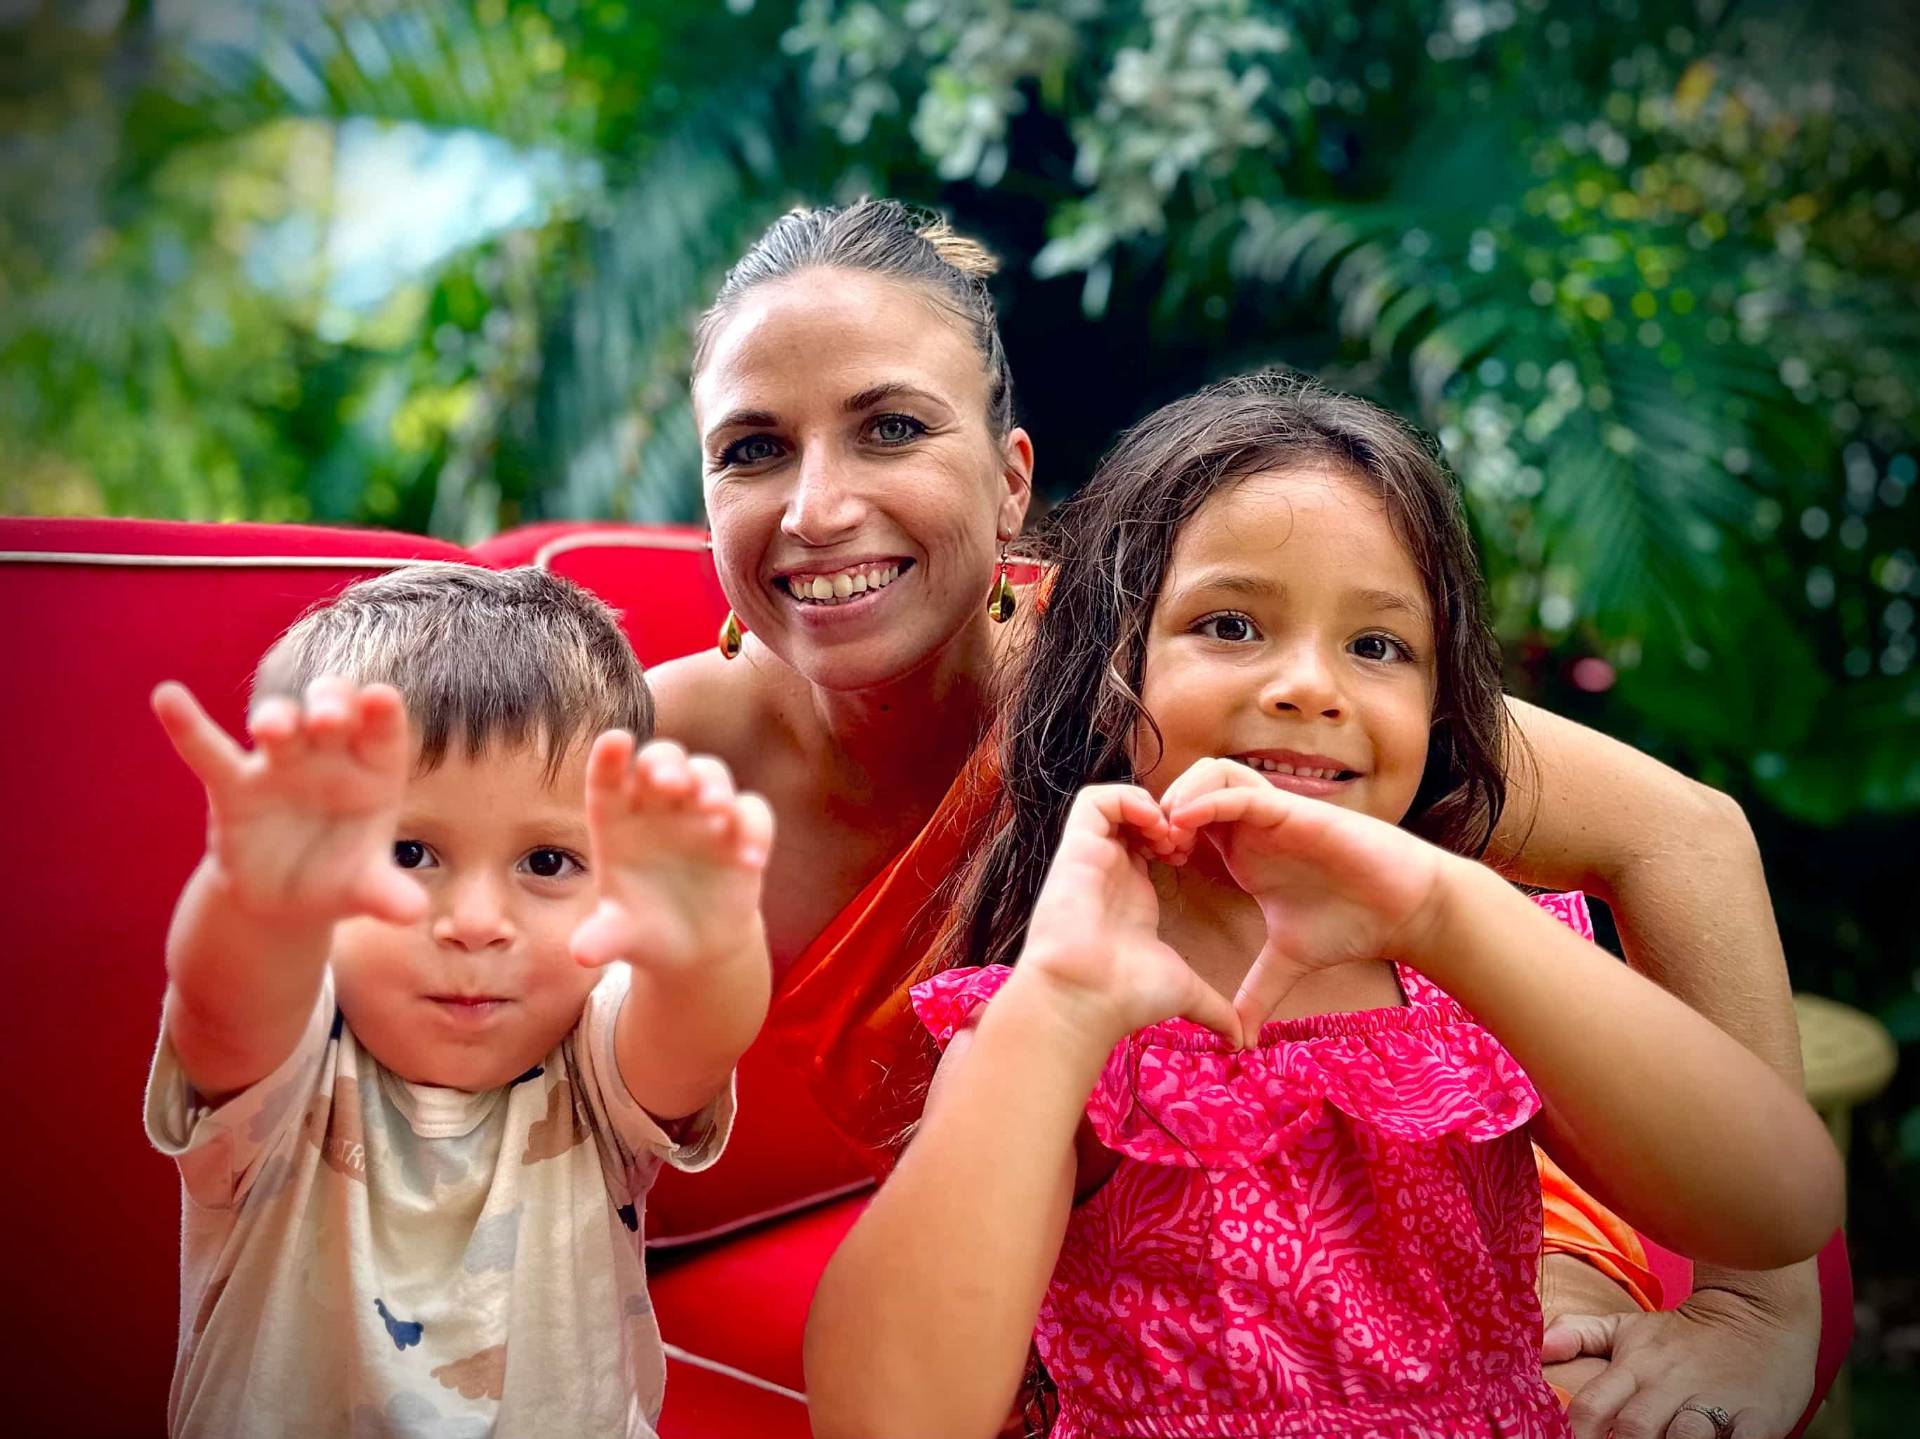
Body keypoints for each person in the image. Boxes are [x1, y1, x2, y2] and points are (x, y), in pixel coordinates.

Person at [653, 199, 1827, 1438]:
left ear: (1010, 483)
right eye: (752, 448)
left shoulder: (1171, 666)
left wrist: (1757, 1309)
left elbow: (1682, 832)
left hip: (1470, 1225)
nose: (818, 507)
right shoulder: (644, 757)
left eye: (891, 427)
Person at [143, 566, 772, 1437]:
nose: (476, 923)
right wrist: (250, 903)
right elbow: (224, 1009)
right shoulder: (292, 1053)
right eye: (408, 852)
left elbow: (693, 1044)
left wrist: (712, 942)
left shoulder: (591, 1050)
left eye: (546, 862)